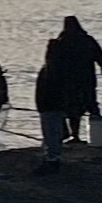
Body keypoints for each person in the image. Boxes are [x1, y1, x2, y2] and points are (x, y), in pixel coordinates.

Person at [52, 15, 102, 142]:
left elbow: (55, 62)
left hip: (69, 82)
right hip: (87, 78)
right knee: (91, 104)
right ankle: (98, 133)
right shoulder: (87, 39)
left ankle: (75, 135)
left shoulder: (62, 42)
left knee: (73, 108)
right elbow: (99, 54)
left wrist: (54, 79)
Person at [33, 38, 65, 174]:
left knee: (49, 133)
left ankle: (51, 159)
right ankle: (54, 157)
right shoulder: (61, 68)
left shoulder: (48, 70)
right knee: (55, 131)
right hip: (57, 105)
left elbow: (41, 89)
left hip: (48, 105)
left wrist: (40, 104)